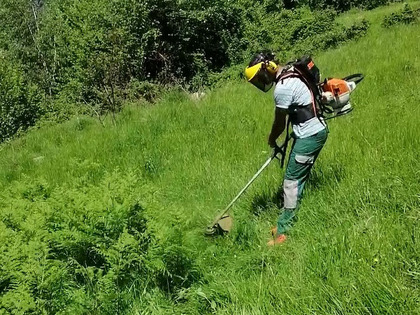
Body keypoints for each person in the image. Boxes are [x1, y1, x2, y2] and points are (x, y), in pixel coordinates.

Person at [244, 52, 328, 245]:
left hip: (311, 134)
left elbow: (279, 123)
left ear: (268, 69)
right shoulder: (290, 72)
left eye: (260, 77)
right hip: (308, 131)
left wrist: (271, 139)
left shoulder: (282, 87)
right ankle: (285, 220)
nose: (261, 81)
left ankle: (284, 231)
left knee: (291, 182)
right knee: (297, 178)